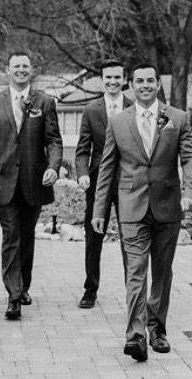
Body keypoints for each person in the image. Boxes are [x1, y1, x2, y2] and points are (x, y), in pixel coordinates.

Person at [92, 63, 192, 362]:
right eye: (139, 81)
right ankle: (135, 335)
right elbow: (107, 167)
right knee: (135, 273)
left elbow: (190, 157)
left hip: (168, 206)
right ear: (130, 85)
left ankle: (157, 328)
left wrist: (190, 192)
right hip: (132, 206)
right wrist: (99, 208)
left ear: (158, 84)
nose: (145, 85)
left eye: (151, 80)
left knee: (162, 273)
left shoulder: (177, 118)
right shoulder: (119, 122)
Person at [0, 51, 63, 321]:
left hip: (34, 180)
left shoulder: (45, 102)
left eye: (25, 66)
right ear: (8, 70)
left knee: (27, 236)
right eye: (16, 66)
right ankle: (13, 295)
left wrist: (53, 166)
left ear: (31, 70)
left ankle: (23, 285)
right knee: (11, 235)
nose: (21, 70)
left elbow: (54, 140)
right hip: (3, 181)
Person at [75, 59, 132, 309]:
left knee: (130, 236)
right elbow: (81, 149)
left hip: (129, 181)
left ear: (124, 80)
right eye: (108, 77)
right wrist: (82, 174)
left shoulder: (133, 106)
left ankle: (133, 289)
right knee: (94, 235)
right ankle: (90, 288)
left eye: (117, 77)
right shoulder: (91, 110)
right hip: (98, 181)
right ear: (102, 79)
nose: (112, 82)